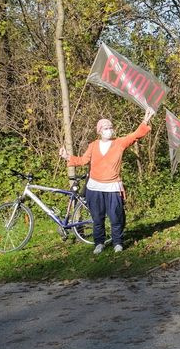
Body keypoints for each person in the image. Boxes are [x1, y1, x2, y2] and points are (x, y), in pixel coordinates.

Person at [60, 108, 155, 254]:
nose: (109, 130)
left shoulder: (119, 143)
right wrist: (68, 157)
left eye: (111, 127)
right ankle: (99, 243)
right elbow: (83, 160)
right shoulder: (93, 145)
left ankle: (118, 242)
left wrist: (145, 120)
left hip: (113, 188)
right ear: (99, 131)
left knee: (116, 218)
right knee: (97, 219)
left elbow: (136, 135)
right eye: (106, 128)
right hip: (94, 188)